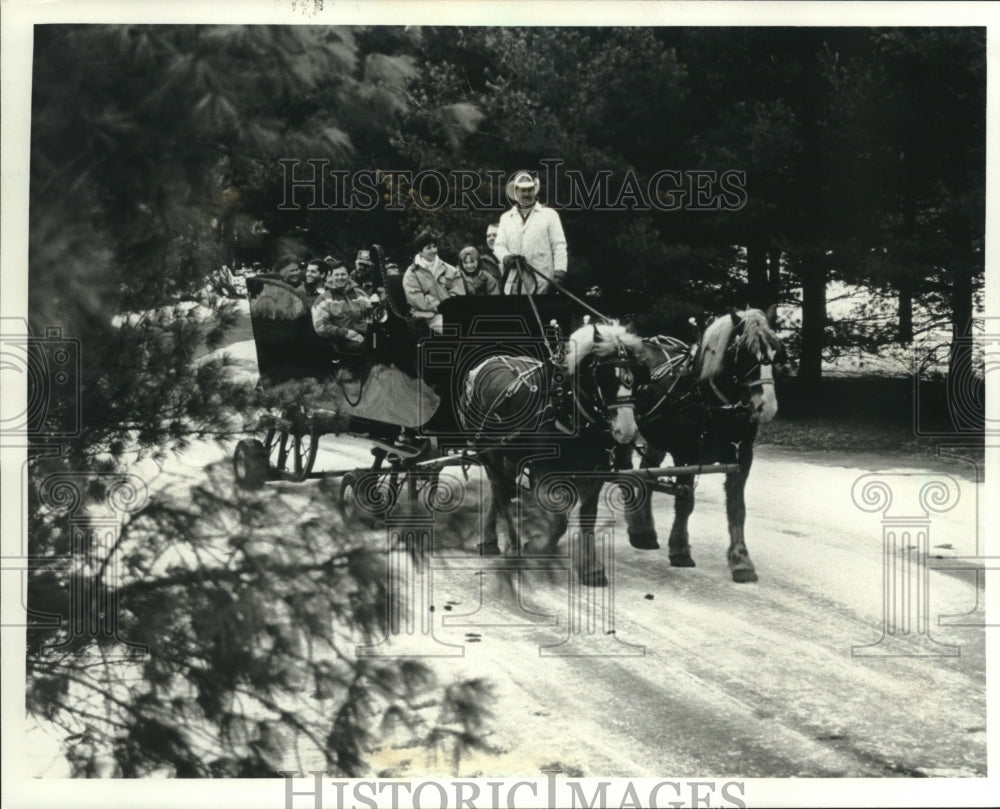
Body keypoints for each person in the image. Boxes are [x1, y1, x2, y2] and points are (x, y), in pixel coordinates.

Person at [493, 170, 567, 295]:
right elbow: (499, 245)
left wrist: (559, 273)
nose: (526, 194)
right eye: (522, 190)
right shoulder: (506, 218)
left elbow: (559, 245)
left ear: (535, 190)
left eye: (529, 190)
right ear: (516, 191)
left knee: (542, 313)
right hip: (515, 282)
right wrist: (506, 258)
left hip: (543, 281)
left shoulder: (550, 215)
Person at [402, 228, 465, 332]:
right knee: (454, 331)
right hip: (427, 317)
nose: (433, 250)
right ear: (420, 252)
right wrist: (439, 305)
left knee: (471, 328)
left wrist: (450, 306)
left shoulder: (449, 269)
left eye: (434, 246)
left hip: (452, 314)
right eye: (428, 248)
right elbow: (417, 300)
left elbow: (459, 291)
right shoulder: (411, 274)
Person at [311, 261, 371, 355]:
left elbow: (370, 314)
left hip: (365, 337)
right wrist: (343, 333)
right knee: (363, 349)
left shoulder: (360, 293)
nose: (340, 277)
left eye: (343, 274)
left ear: (348, 275)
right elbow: (320, 326)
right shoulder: (323, 299)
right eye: (336, 275)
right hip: (341, 342)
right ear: (331, 276)